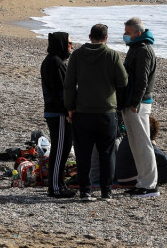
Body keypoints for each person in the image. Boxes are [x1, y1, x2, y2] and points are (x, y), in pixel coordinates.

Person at [64, 24, 128, 201]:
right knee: (107, 153)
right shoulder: (112, 55)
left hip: (82, 111)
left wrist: (70, 107)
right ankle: (106, 191)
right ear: (106, 38)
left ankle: (85, 190)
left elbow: (69, 84)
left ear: (90, 36)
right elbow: (123, 81)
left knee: (83, 153)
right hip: (106, 111)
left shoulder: (77, 55)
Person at [121, 17, 159, 197]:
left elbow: (142, 80)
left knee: (143, 144)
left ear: (138, 32)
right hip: (133, 101)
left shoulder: (143, 50)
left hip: (140, 103)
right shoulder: (135, 47)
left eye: (128, 32)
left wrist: (135, 102)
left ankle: (150, 185)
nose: (125, 35)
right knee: (135, 144)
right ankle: (142, 181)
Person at [41, 32, 76, 198]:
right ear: (61, 44)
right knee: (60, 149)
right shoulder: (54, 62)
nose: (71, 46)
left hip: (57, 112)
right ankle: (55, 187)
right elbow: (61, 91)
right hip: (58, 113)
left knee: (62, 148)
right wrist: (69, 109)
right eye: (69, 43)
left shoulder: (56, 61)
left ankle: (59, 184)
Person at [115, 116, 167, 186]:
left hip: (121, 178)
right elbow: (164, 159)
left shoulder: (127, 138)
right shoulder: (142, 140)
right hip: (131, 179)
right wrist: (153, 144)